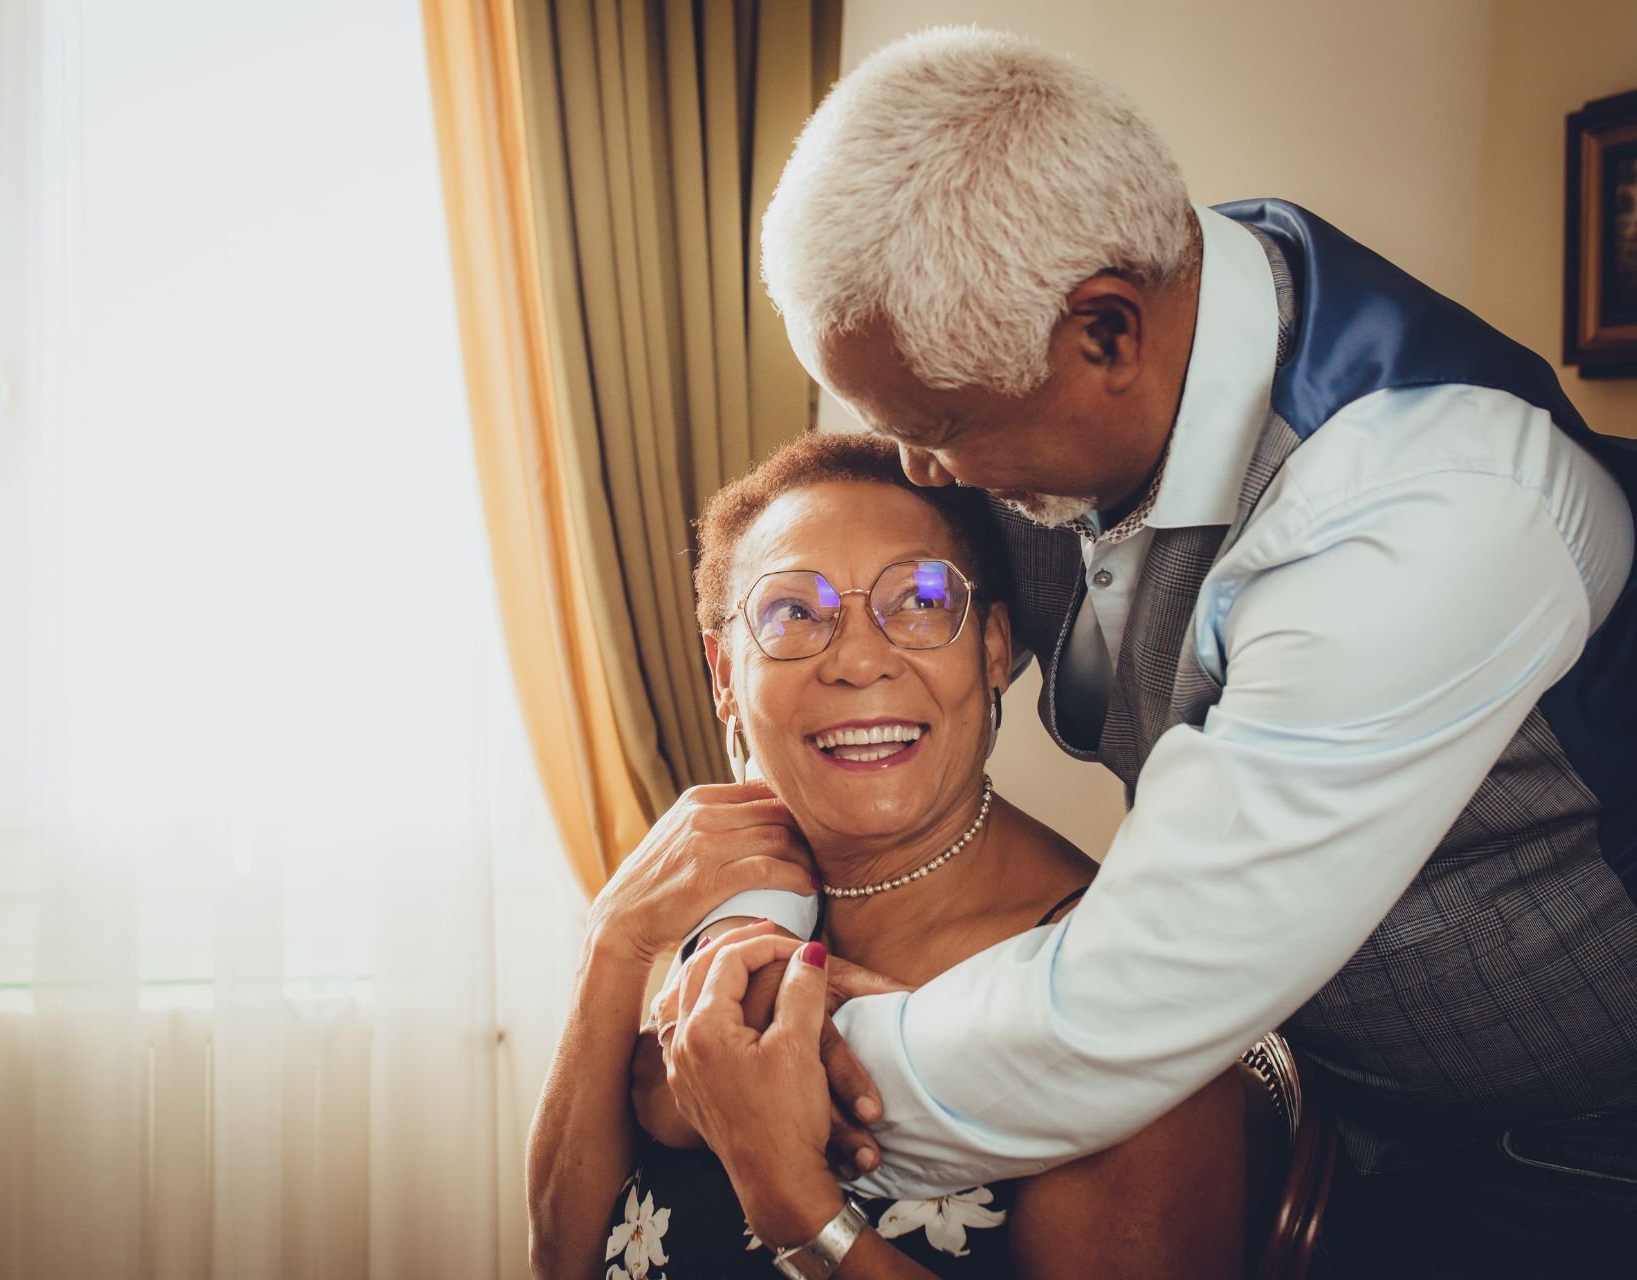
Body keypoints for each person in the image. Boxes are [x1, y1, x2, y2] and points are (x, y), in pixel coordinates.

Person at [664, 26, 1637, 1278]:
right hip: (1336, 1100)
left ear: (1108, 336)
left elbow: (1109, 1015)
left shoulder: (1433, 507)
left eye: (938, 426)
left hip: (1575, 1154)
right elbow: (843, 679)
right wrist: (676, 946)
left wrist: (745, 1092)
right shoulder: (1094, 316)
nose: (921, 471)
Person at [526, 433, 1246, 1278]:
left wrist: (799, 1209)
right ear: (725, 673)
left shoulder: (1114, 991)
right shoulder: (740, 913)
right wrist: (613, 942)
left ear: (988, 648)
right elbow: (557, 1259)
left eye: (920, 599)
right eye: (794, 612)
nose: (861, 660)